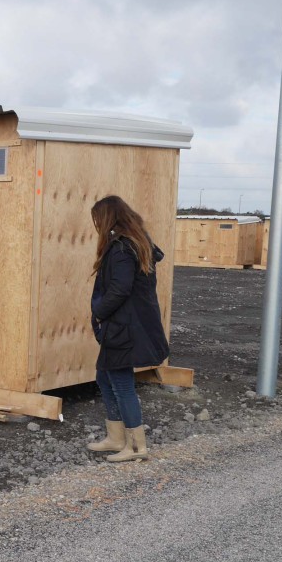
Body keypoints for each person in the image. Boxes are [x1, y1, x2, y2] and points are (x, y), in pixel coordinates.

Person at [87, 195, 171, 462]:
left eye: (98, 219)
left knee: (122, 384)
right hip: (127, 324)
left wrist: (98, 312)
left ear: (109, 218)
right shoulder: (134, 244)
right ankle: (116, 437)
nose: (97, 225)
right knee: (104, 375)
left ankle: (136, 447)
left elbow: (120, 289)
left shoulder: (123, 249)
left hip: (124, 327)